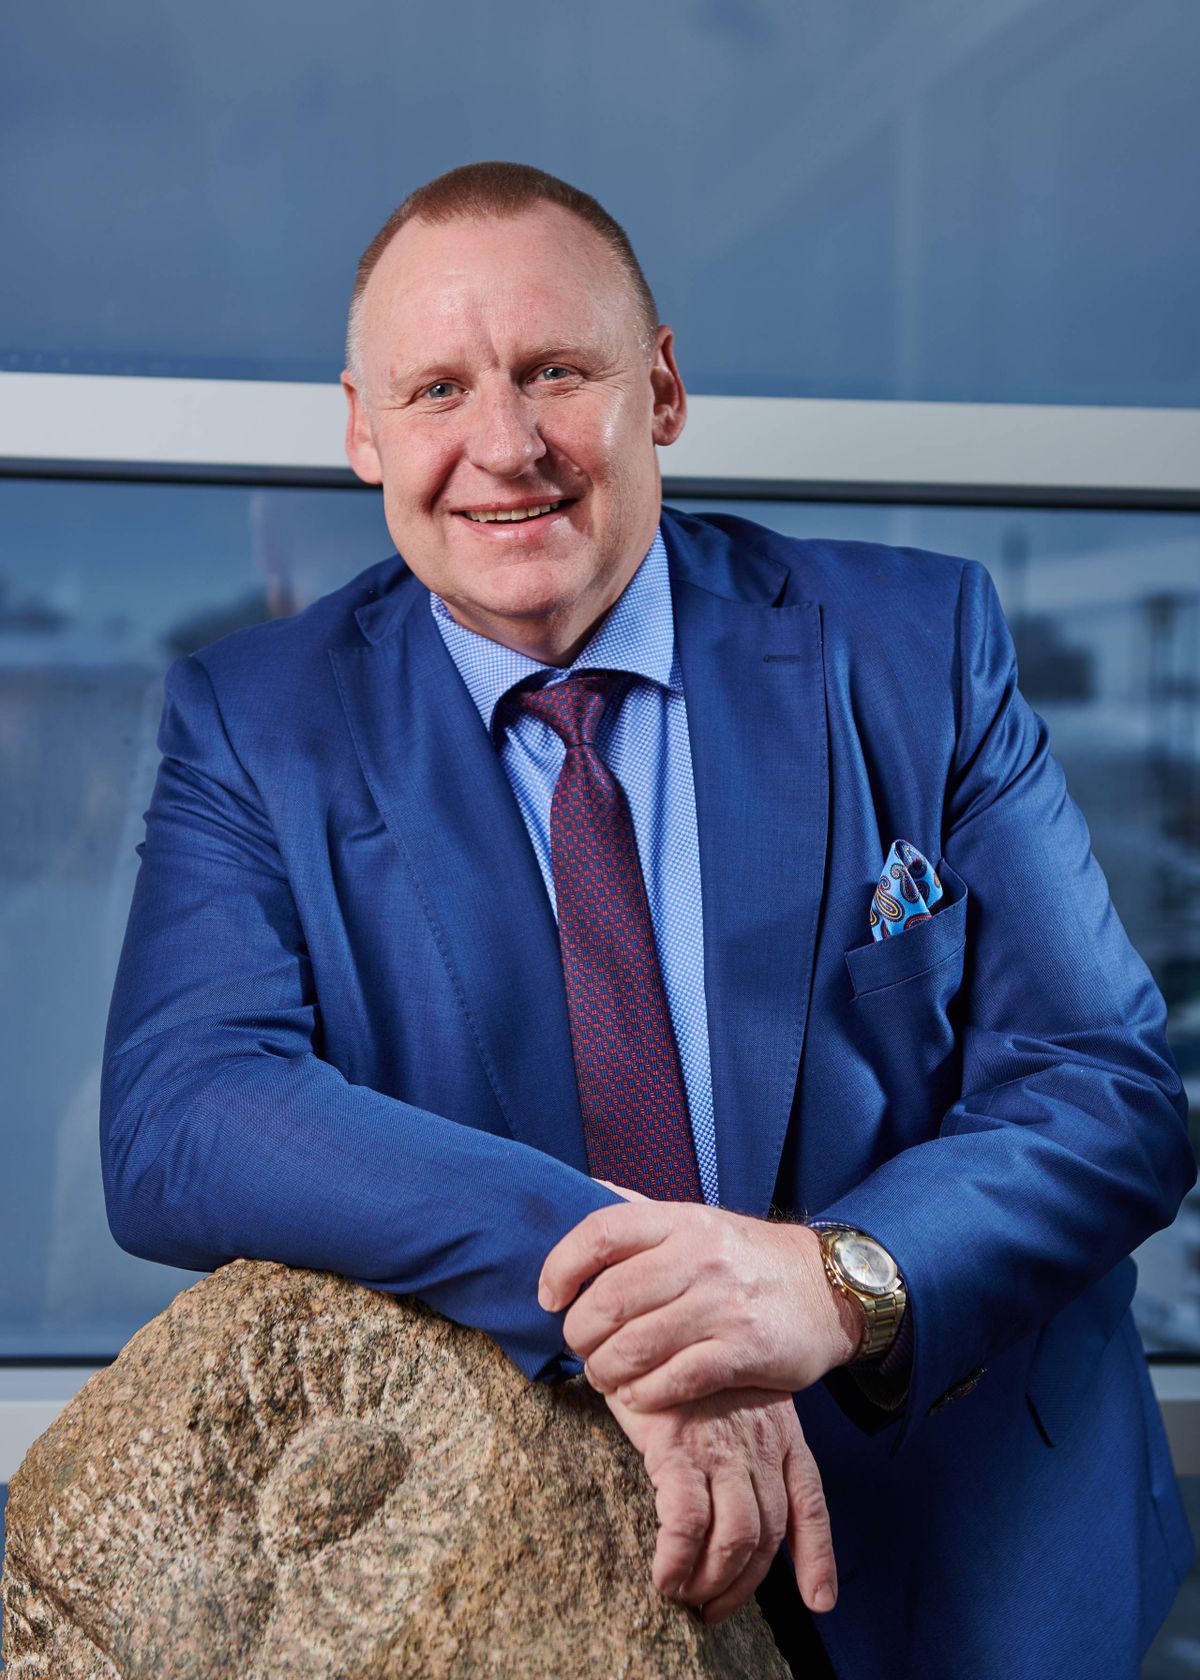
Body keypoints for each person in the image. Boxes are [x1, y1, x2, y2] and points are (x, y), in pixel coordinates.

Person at [100, 161, 1196, 1679]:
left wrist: (835, 1282)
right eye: (437, 389)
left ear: (662, 388)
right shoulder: (256, 723)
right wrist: (633, 1285)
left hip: (981, 1553)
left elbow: (1108, 1088)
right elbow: (182, 1112)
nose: (506, 445)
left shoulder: (917, 644)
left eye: (558, 371)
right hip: (572, 1575)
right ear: (362, 430)